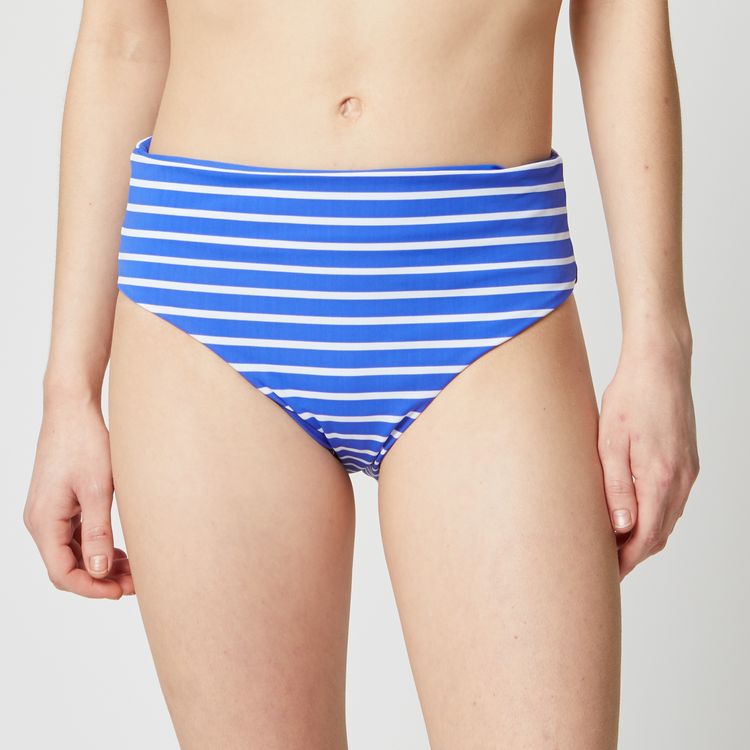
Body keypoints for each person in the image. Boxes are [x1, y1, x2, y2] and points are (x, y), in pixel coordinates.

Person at [23, 0, 699, 747]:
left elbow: (622, 14)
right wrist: (69, 390)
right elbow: (121, 38)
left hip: (483, 285)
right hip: (209, 294)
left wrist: (659, 344)